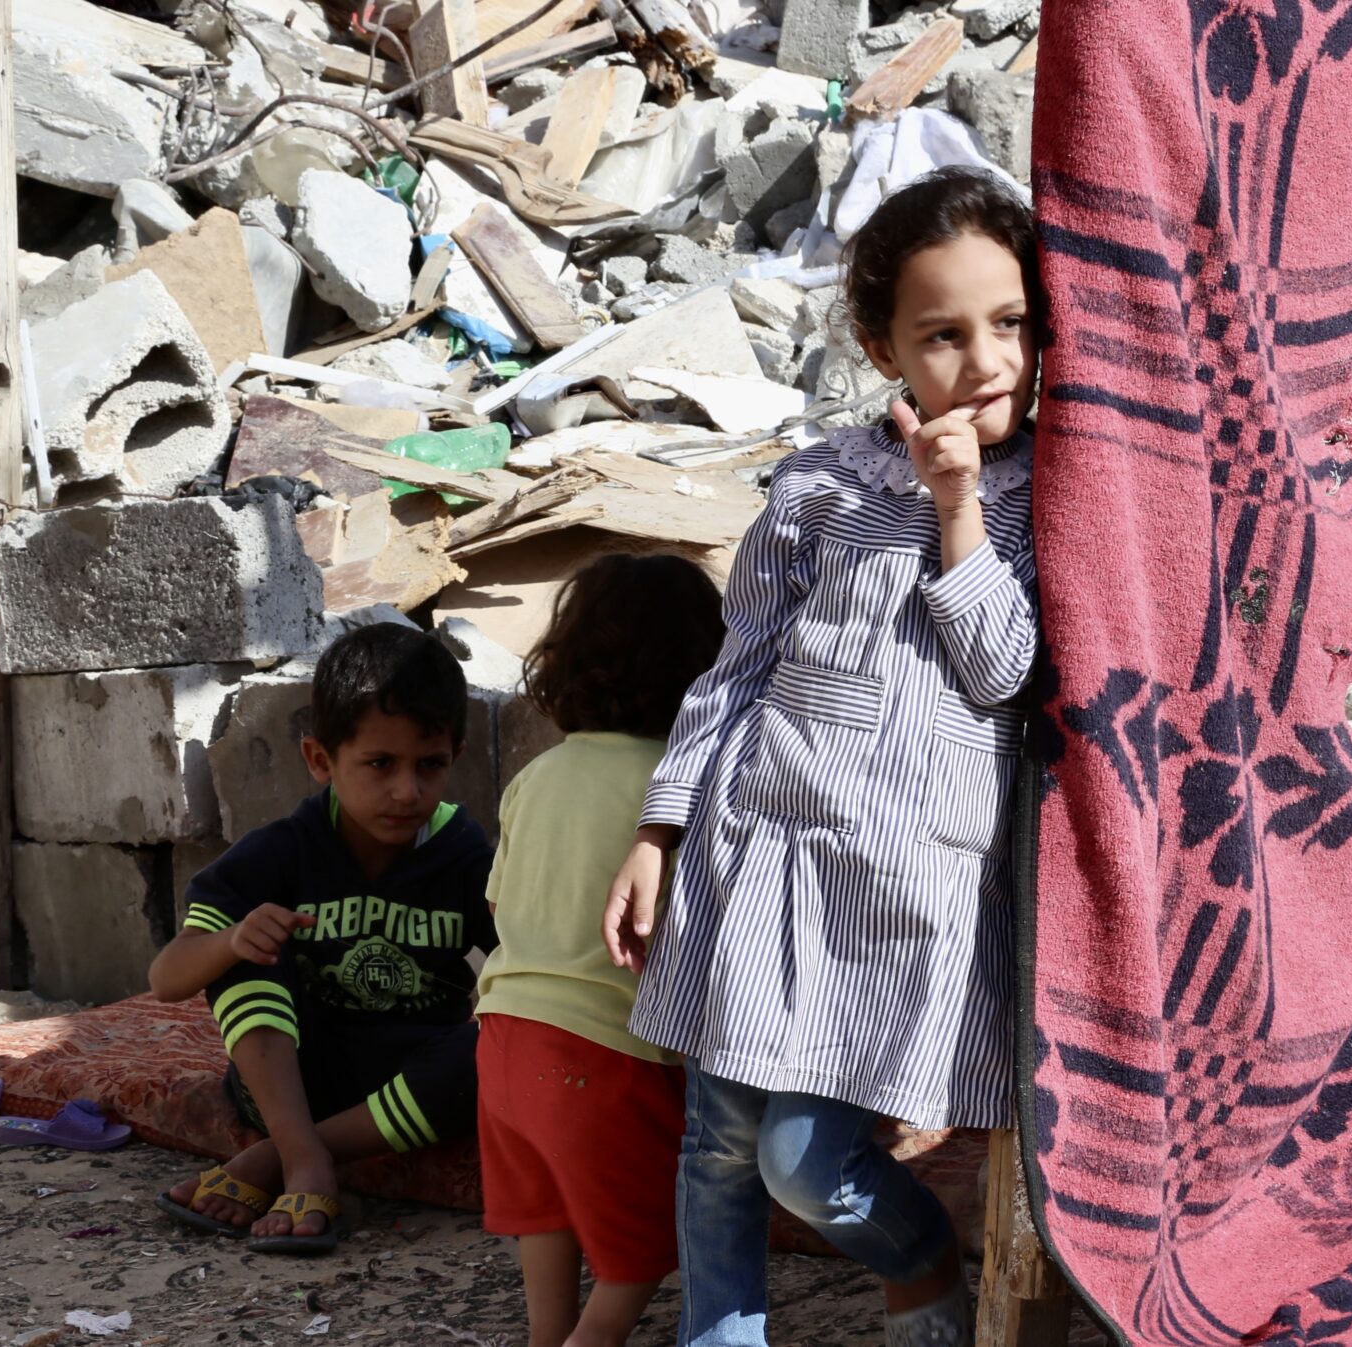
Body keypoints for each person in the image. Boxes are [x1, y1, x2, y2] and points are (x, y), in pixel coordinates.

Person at [603, 165, 1043, 1347]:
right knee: (717, 1146)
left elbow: (1006, 672)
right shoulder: (816, 486)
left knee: (806, 1157)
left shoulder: (1047, 499)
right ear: (880, 343)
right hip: (767, 855)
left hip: (909, 885)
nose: (985, 360)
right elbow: (738, 668)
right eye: (943, 335)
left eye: (1009, 324)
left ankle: (917, 1268)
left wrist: (958, 509)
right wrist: (661, 829)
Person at [152, 622, 496, 1255]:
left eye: (430, 765)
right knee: (244, 952)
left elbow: (520, 960)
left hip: (410, 1094)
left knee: (502, 1042)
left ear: (457, 757)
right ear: (320, 760)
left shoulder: (467, 855)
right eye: (379, 764)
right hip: (289, 1082)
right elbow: (167, 979)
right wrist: (231, 942)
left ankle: (288, 1157)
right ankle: (298, 1146)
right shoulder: (283, 849)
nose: (407, 791)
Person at [476, 554, 728, 1347]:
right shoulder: (680, 784)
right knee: (645, 1244)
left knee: (544, 1212)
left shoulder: (535, 775)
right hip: (607, 1055)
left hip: (502, 1039)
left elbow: (500, 901)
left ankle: (547, 1334)